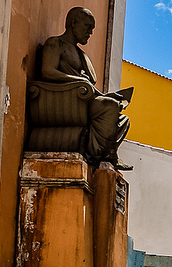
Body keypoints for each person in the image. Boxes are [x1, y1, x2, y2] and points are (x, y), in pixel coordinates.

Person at [40, 7, 132, 169]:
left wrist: (109, 95)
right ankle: (102, 155)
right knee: (110, 107)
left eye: (92, 29)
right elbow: (48, 71)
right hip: (68, 101)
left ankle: (104, 152)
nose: (90, 32)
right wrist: (80, 80)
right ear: (73, 23)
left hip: (83, 99)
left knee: (123, 119)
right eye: (87, 27)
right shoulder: (56, 43)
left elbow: (90, 82)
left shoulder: (81, 54)